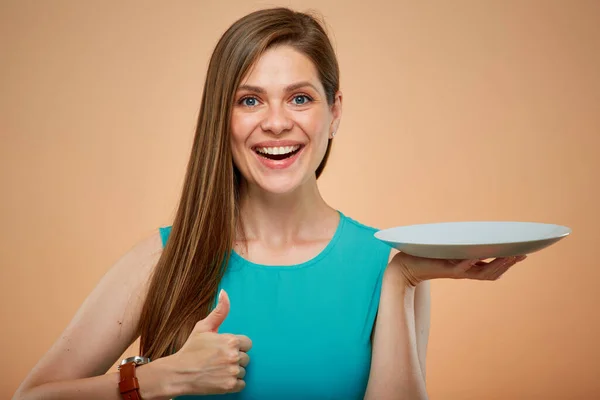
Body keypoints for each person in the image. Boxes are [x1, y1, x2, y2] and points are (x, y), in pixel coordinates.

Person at [13, 7, 526, 400]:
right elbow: (31, 397)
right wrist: (154, 379)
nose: (277, 122)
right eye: (249, 99)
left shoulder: (388, 263)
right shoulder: (165, 257)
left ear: (335, 112)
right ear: (223, 117)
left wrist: (400, 282)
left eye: (300, 98)